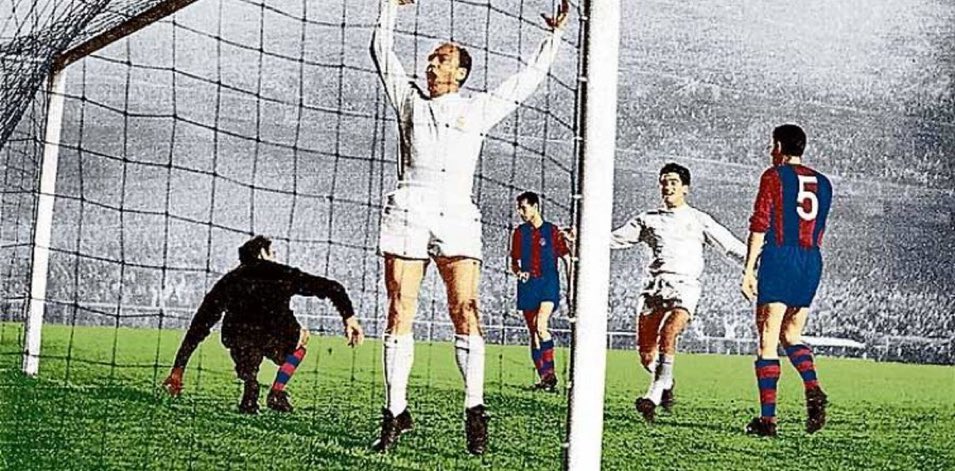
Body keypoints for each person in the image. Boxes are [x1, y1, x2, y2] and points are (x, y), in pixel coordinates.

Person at [369, 0, 569, 455]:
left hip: (457, 213)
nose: (431, 63)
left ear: (460, 72)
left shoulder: (476, 108)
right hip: (409, 206)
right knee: (400, 308)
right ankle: (394, 413)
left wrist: (553, 37)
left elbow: (526, 80)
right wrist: (389, 6)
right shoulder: (409, 100)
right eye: (430, 58)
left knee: (465, 308)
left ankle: (475, 410)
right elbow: (380, 50)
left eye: (441, 58)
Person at [161, 236, 364, 414]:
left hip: (239, 339)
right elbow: (333, 287)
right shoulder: (281, 273)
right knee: (302, 338)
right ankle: (276, 391)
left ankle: (250, 385)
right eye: (272, 252)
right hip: (275, 336)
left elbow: (201, 323)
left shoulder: (229, 280)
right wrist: (349, 318)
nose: (275, 256)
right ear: (263, 254)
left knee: (244, 341)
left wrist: (178, 368)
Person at [609, 163, 746, 422]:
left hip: (685, 286)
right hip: (655, 287)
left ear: (685, 188)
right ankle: (666, 381)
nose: (668, 187)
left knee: (669, 331)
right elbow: (616, 238)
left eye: (673, 182)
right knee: (646, 355)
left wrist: (759, 262)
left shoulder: (699, 219)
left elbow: (730, 247)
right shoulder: (648, 219)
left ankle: (652, 395)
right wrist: (581, 238)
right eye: (664, 182)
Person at [741, 124, 833, 437]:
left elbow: (760, 224)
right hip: (812, 259)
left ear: (779, 146)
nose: (771, 151)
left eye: (773, 145)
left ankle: (768, 421)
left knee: (768, 339)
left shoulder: (774, 176)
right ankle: (813, 387)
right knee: (792, 334)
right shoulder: (824, 183)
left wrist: (749, 269)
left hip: (781, 256)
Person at [510, 191, 573, 392]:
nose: (520, 212)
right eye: (519, 209)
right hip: (528, 286)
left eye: (523, 208)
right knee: (534, 333)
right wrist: (519, 272)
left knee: (541, 325)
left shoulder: (552, 231)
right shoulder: (519, 233)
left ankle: (550, 375)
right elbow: (514, 262)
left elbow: (567, 258)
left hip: (548, 284)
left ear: (535, 206)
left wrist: (571, 285)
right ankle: (545, 378)